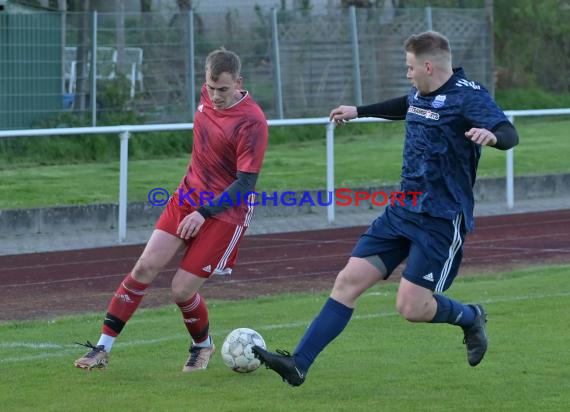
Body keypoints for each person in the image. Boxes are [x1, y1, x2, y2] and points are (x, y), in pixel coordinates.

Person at [252, 31, 519, 386]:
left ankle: (470, 317)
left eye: (410, 67)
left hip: (440, 219)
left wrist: (493, 137)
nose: (407, 74)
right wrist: (359, 111)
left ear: (428, 65)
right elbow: (404, 105)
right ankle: (298, 364)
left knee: (411, 308)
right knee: (347, 281)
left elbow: (508, 131)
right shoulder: (422, 92)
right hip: (402, 210)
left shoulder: (468, 97)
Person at [74, 48, 268, 372]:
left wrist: (204, 212)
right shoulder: (205, 97)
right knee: (143, 269)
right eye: (211, 87)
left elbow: (245, 184)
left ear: (239, 82)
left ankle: (202, 345)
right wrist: (194, 205)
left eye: (223, 89)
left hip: (225, 212)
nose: (216, 96)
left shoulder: (253, 122)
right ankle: (102, 348)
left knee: (180, 290)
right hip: (185, 198)